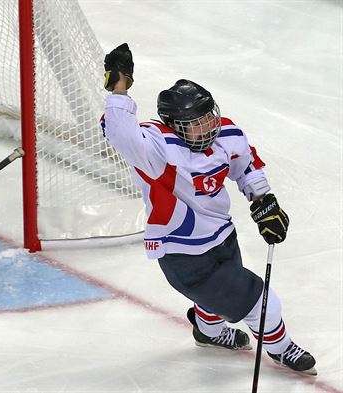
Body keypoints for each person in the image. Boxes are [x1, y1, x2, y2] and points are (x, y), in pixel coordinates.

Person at [101, 43, 316, 375]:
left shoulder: (225, 133)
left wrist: (264, 202)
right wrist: (119, 88)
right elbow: (119, 132)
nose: (208, 125)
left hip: (222, 237)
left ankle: (209, 332)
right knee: (260, 302)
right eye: (196, 122)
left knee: (216, 300)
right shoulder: (158, 148)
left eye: (208, 115)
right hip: (183, 254)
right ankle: (281, 347)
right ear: (175, 124)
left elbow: (247, 166)